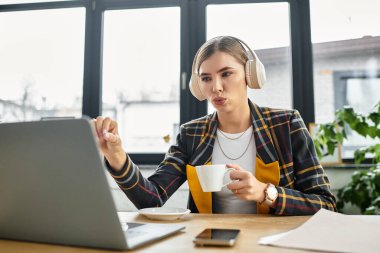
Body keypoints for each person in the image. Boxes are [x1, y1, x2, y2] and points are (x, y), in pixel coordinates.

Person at [94, 36, 336, 215]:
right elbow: (151, 198)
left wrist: (266, 193)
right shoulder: (192, 134)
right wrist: (116, 156)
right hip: (208, 245)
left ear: (250, 75)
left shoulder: (286, 125)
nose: (216, 87)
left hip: (273, 244)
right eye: (206, 78)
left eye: (227, 74)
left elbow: (326, 204)